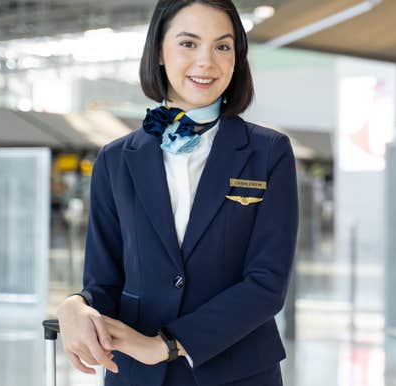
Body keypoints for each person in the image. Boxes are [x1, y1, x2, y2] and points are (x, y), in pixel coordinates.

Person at [55, 0, 298, 385]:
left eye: (222, 46)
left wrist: (167, 344)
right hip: (135, 374)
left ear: (237, 58)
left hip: (237, 371)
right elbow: (105, 281)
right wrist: (76, 305)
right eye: (188, 43)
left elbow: (267, 284)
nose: (206, 62)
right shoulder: (116, 159)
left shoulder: (268, 152)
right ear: (159, 53)